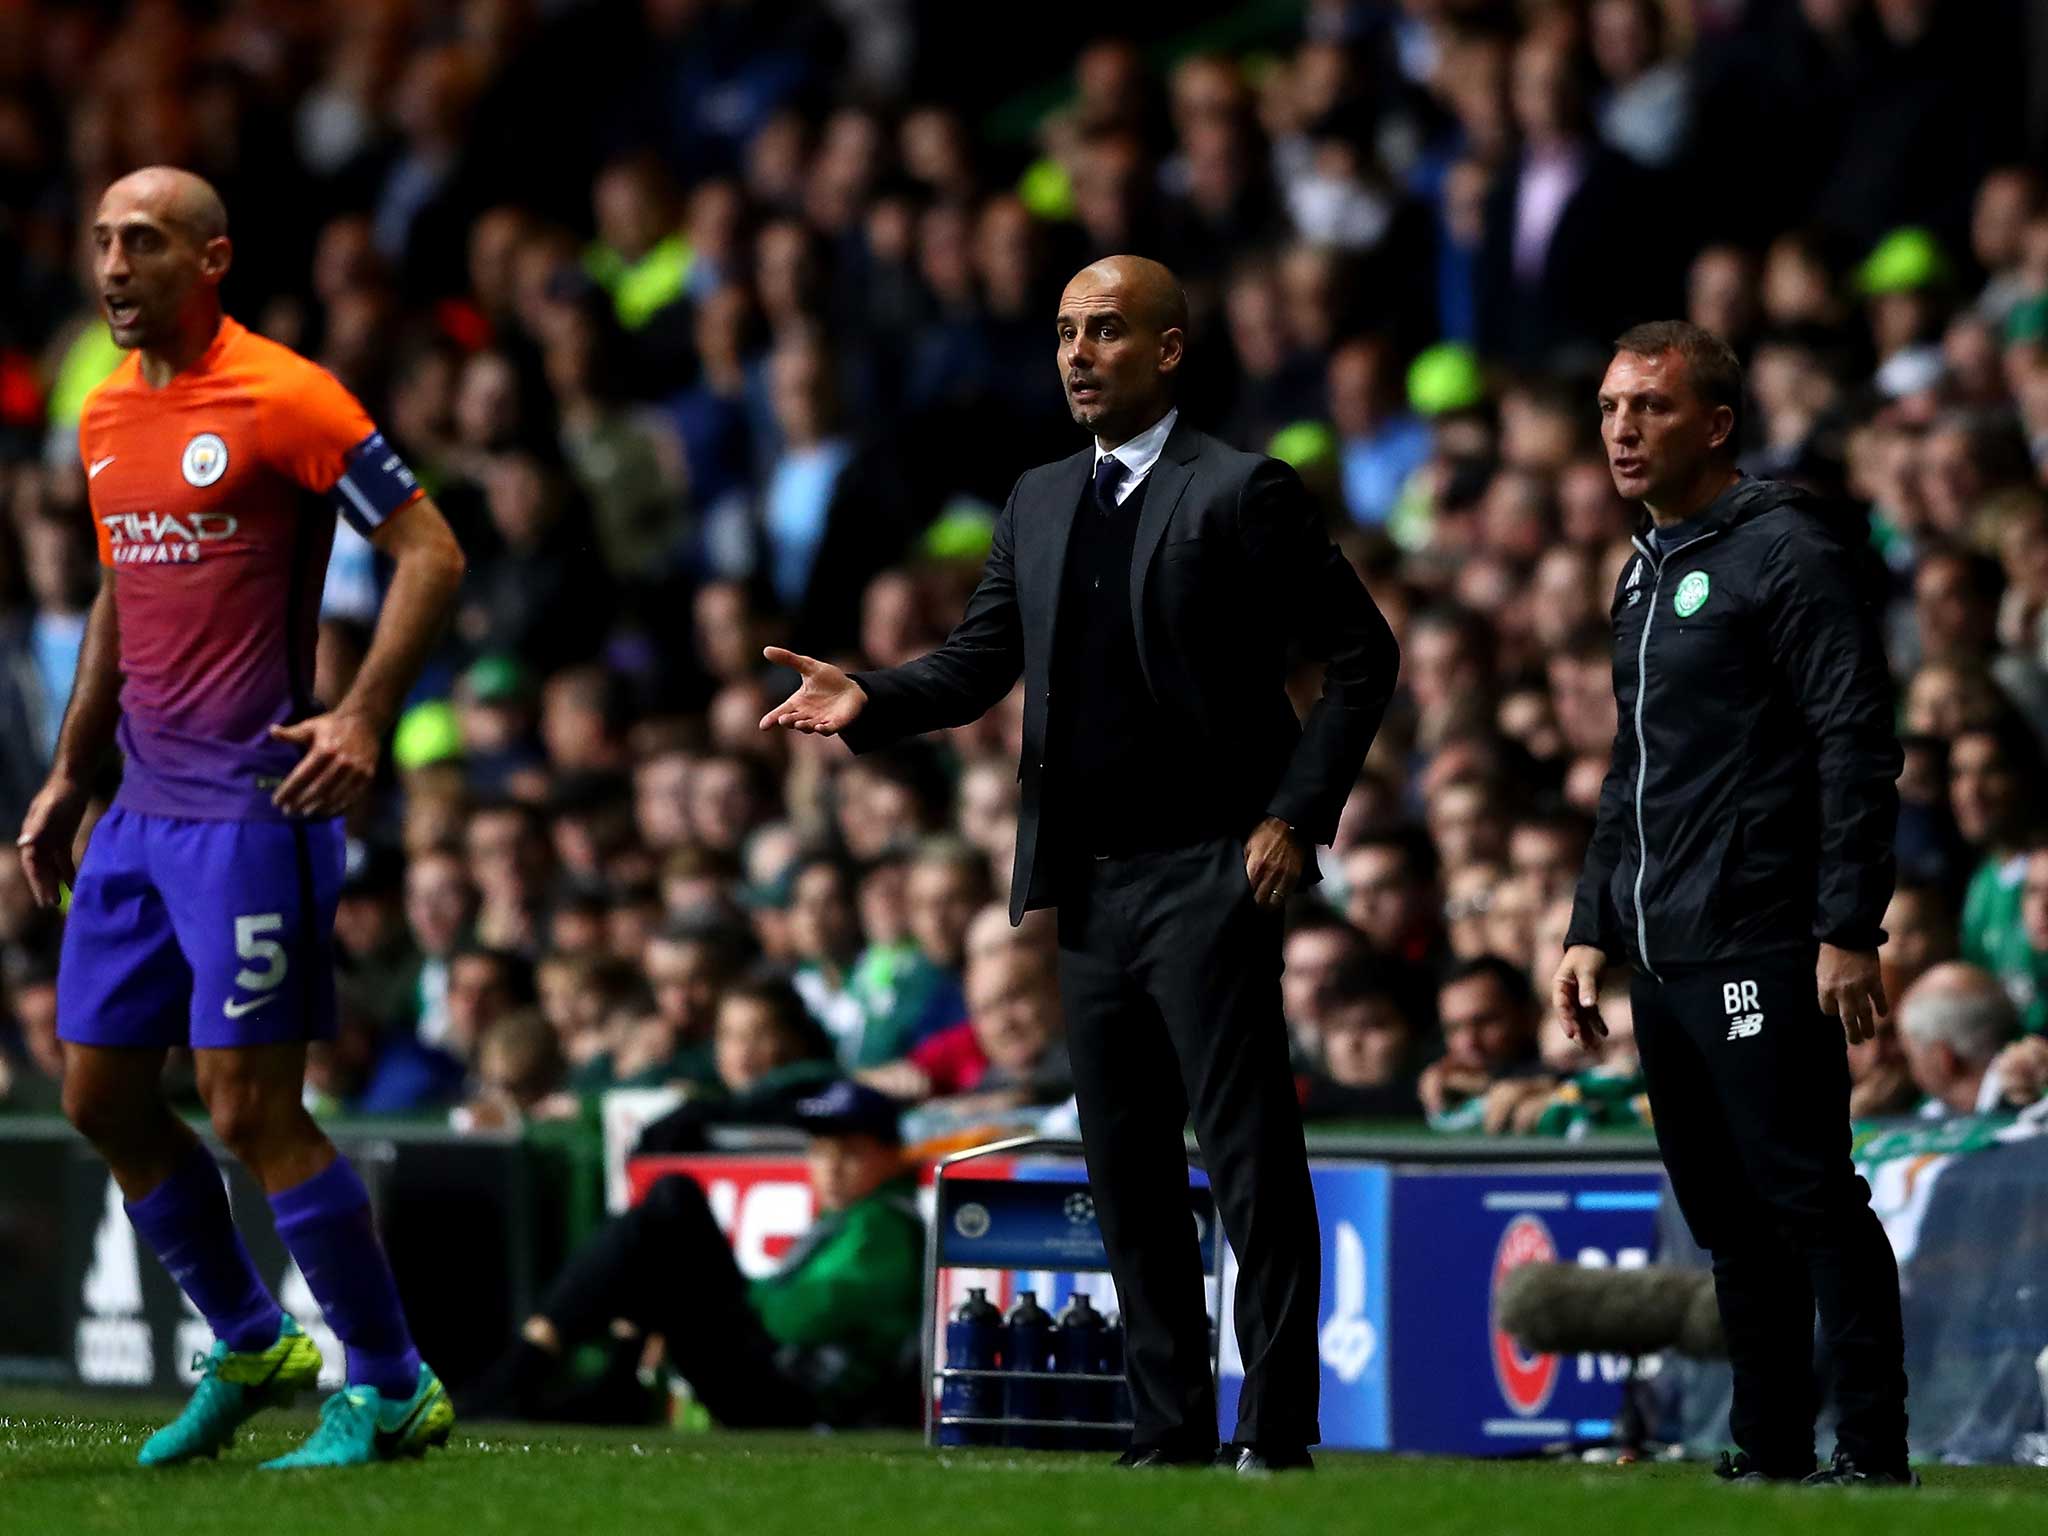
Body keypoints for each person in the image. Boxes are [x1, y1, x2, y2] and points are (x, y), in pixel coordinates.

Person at [758, 255, 1399, 1471]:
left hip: (1213, 867)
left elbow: (1362, 657)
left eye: (1103, 331)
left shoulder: (1241, 490)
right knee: (1127, 1167)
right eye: (1061, 332)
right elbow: (977, 662)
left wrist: (1293, 817)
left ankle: (1274, 1429)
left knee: (1249, 1157)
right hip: (1089, 887)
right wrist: (871, 695)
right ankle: (1166, 1429)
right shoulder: (1039, 497)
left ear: (1167, 349)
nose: (1073, 353)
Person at [13, 168, 467, 1470]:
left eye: (142, 244)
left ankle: (388, 1386)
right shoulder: (102, 415)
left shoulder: (287, 396)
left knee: (250, 1106)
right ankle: (255, 1340)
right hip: (139, 812)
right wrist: (68, 772)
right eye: (101, 241)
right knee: (97, 1090)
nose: (111, 267)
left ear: (211, 259)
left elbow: (432, 552)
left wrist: (366, 715)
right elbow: (122, 592)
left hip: (251, 809)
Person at [1554, 321, 1912, 1487]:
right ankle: (1767, 1449)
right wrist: (1587, 922)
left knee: (1806, 1193)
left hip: (1761, 932)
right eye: (1609, 407)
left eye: (1647, 408)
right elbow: (1632, 766)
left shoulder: (1784, 554)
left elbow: (1855, 741)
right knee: (1725, 1218)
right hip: (1662, 948)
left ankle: (1871, 1451)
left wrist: (1846, 927)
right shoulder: (1643, 568)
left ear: (1714, 425)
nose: (1619, 428)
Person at [463, 1080, 923, 1428]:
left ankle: (532, 1369)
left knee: (674, 1202)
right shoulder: (851, 1220)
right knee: (664, 1231)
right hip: (778, 1379)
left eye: (850, 1152)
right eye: (821, 1150)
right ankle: (606, 1384)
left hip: (797, 1399)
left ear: (891, 1156)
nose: (831, 1167)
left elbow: (792, 1320)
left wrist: (741, 1291)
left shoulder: (884, 1226)